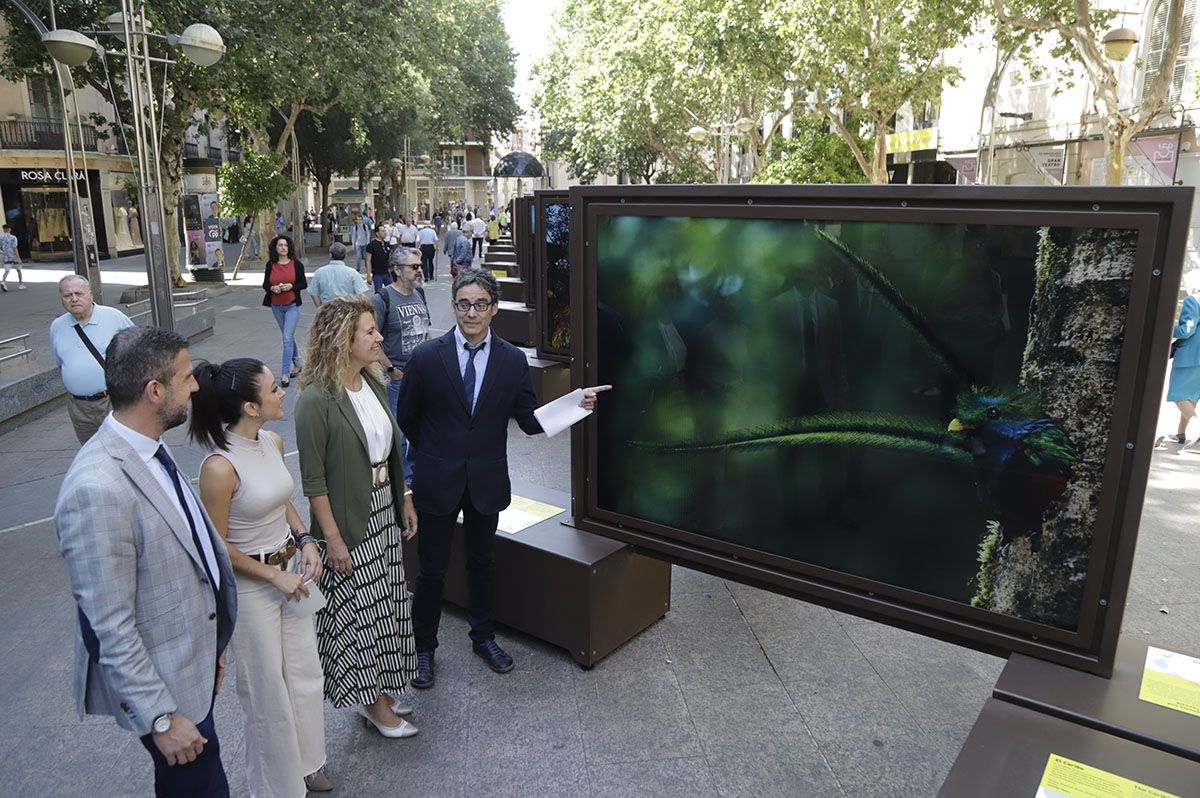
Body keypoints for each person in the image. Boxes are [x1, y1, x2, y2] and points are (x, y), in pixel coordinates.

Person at [395, 269, 609, 688]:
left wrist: (575, 404)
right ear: (453, 306)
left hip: (486, 482)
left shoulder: (511, 360)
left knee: (482, 563)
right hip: (438, 480)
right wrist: (438, 455)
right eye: (462, 304)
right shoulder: (426, 357)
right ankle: (424, 649)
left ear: (493, 309)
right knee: (431, 570)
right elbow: (409, 418)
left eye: (479, 304)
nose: (470, 312)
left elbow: (529, 421)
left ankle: (483, 637)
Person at [54, 325, 237, 797]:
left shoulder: (147, 446)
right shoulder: (97, 488)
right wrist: (159, 716)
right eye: (185, 377)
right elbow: (109, 626)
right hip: (166, 698)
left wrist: (210, 645)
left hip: (190, 670)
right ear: (154, 392)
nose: (196, 385)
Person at [190, 358, 332, 796]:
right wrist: (272, 577)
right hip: (254, 587)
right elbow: (216, 548)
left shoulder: (270, 439)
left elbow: (280, 500)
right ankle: (277, 787)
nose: (281, 391)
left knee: (306, 672)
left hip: (291, 574)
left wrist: (306, 538)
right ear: (251, 407)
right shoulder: (219, 467)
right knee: (266, 690)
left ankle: (309, 763)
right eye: (274, 388)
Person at [294, 296, 420, 739]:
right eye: (369, 331)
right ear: (343, 339)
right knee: (359, 617)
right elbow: (313, 481)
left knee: (386, 606)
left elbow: (391, 448)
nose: (379, 337)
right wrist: (333, 539)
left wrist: (403, 495)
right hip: (347, 521)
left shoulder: (374, 381)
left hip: (383, 511)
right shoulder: (315, 401)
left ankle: (382, 691)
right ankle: (373, 705)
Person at [50, 274, 135, 443]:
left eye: (79, 293)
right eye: (67, 295)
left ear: (90, 294)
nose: (74, 299)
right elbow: (61, 363)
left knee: (126, 448)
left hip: (113, 401)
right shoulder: (57, 326)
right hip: (79, 408)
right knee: (91, 453)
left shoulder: (114, 317)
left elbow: (138, 352)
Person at [375, 247, 430, 483]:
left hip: (421, 374)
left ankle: (418, 471)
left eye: (420, 266)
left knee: (422, 425)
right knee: (400, 432)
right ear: (397, 270)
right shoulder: (382, 299)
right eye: (414, 267)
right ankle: (403, 481)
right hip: (397, 376)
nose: (419, 271)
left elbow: (426, 332)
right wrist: (391, 370)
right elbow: (371, 340)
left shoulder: (420, 294)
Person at [262, 235, 308, 388]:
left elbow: (303, 284)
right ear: (275, 248)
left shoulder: (297, 265)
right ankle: (297, 363)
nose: (283, 248)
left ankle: (284, 373)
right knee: (288, 336)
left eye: (286, 245)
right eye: (280, 245)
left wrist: (291, 286)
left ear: (289, 248)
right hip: (276, 306)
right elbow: (265, 285)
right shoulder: (271, 265)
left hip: (292, 306)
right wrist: (272, 288)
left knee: (287, 338)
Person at [1167, 292, 1200, 444]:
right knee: (1191, 396)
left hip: (1191, 356)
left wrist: (1165, 327)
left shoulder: (1193, 300)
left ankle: (1196, 429)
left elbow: (1186, 331)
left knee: (1178, 394)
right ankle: (1181, 433)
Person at [308, 242, 369, 306]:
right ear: (345, 255)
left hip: (327, 308)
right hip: (347, 308)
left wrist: (320, 307)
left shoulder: (319, 272)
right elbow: (360, 294)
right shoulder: (353, 273)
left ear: (331, 255)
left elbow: (313, 293)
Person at [364, 223, 394, 294]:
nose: (385, 233)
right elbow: (368, 261)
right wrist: (368, 275)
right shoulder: (371, 245)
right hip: (377, 274)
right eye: (382, 231)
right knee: (379, 293)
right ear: (377, 233)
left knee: (392, 291)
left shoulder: (387, 244)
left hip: (387, 273)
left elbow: (390, 258)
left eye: (385, 231)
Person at [1, 224, 24, 290]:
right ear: (9, 229)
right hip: (14, 256)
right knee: (19, 270)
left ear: (4, 229)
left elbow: (1, 247)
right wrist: (18, 257)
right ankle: (20, 284)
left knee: (6, 271)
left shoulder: (1, 238)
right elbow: (15, 248)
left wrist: (4, 252)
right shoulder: (13, 238)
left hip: (6, 257)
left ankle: (3, 281)